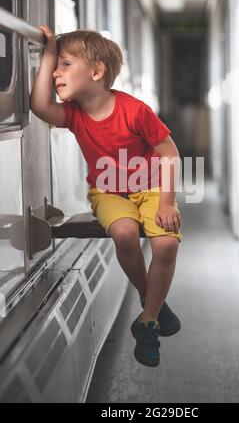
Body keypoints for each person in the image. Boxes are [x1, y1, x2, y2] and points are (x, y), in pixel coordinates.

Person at [30, 25, 182, 367]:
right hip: (108, 191)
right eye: (58, 66)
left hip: (153, 185)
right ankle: (153, 306)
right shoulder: (74, 115)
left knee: (166, 244)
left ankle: (147, 322)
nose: (56, 73)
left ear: (96, 72)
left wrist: (168, 202)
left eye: (66, 64)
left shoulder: (135, 110)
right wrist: (50, 53)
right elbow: (40, 106)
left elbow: (169, 153)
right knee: (125, 234)